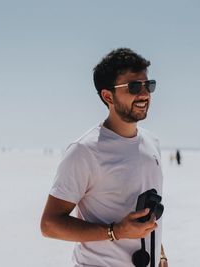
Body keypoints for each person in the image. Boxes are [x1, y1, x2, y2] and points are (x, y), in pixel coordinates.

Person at [40, 48, 168, 267]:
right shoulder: (84, 151)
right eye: (134, 87)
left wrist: (160, 255)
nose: (145, 94)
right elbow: (50, 224)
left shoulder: (151, 143)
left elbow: (149, 216)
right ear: (108, 96)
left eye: (149, 85)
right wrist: (114, 231)